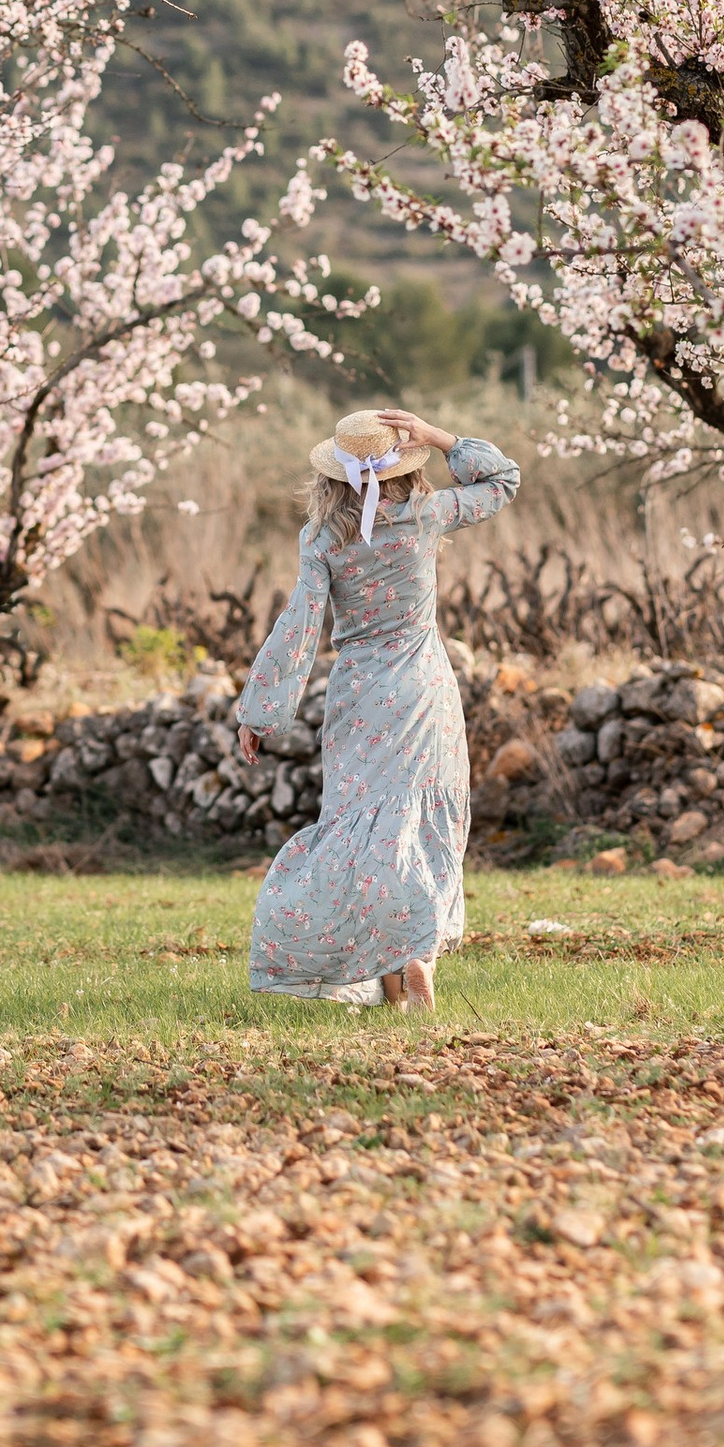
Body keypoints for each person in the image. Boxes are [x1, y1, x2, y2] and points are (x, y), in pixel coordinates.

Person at [234, 408, 520, 1009]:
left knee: (361, 829)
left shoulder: (321, 539)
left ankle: (393, 975)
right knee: (419, 825)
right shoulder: (425, 515)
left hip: (361, 694)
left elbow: (301, 625)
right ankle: (414, 956)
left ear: (333, 475)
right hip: (423, 691)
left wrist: (261, 711)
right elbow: (503, 481)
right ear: (405, 464)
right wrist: (440, 436)